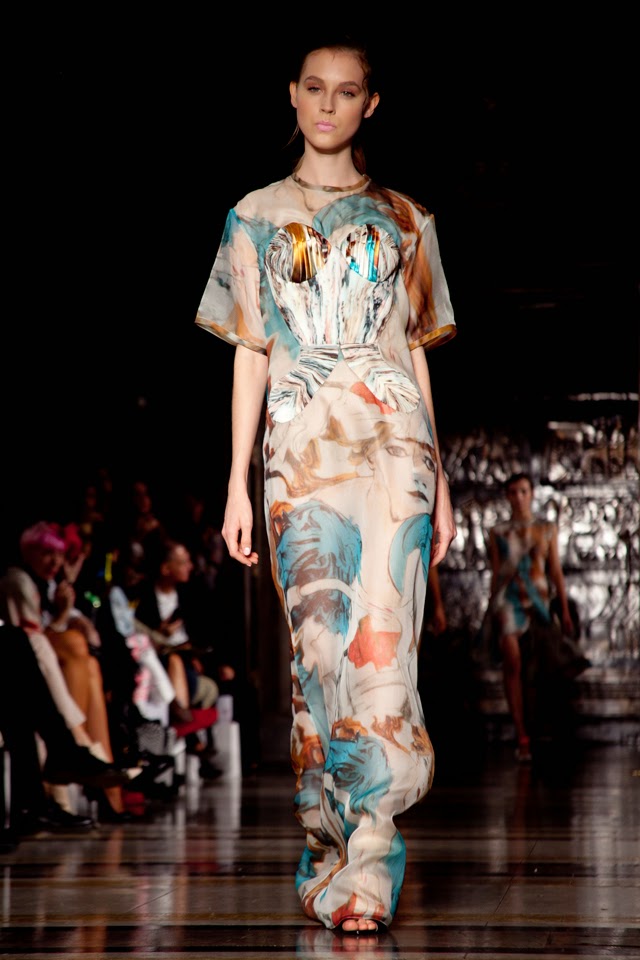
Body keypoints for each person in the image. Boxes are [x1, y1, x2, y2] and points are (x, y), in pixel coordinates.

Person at [194, 34, 457, 935]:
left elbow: (416, 353)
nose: (329, 105)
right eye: (315, 88)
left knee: (384, 650)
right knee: (318, 654)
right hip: (299, 456)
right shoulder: (253, 216)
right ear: (293, 95)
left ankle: (371, 858)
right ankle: (328, 842)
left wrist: (441, 479)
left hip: (393, 453)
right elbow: (250, 352)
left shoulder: (408, 219)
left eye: (347, 92)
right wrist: (236, 484)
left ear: (370, 104)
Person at [486, 471, 580, 763]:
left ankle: (536, 728)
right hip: (507, 600)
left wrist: (564, 610)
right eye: (513, 492)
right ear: (507, 496)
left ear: (532, 494)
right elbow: (496, 572)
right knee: (512, 661)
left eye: (524, 491)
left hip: (538, 601)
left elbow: (555, 571)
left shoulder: (546, 529)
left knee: (537, 667)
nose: (519, 497)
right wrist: (490, 612)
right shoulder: (498, 532)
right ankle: (521, 734)